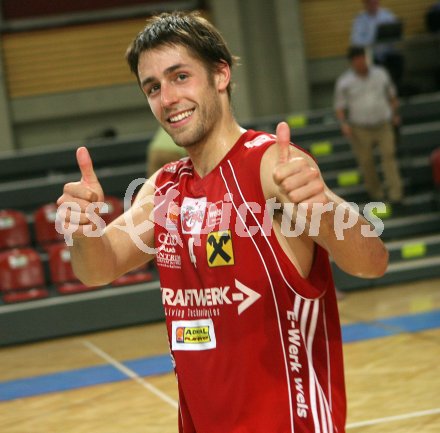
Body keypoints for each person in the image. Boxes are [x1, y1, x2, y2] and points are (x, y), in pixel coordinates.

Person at [57, 12, 389, 433]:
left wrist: (321, 206)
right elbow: (97, 268)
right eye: (153, 87)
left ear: (220, 75)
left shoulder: (270, 165)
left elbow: (371, 262)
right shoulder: (164, 188)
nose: (168, 98)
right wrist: (83, 233)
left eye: (180, 77)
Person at [334, 45, 404, 203]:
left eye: (363, 59)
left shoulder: (380, 74)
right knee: (366, 162)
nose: (361, 63)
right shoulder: (344, 82)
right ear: (352, 63)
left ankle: (396, 194)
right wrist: (343, 124)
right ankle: (376, 194)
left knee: (389, 156)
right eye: (357, 61)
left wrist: (395, 114)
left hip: (383, 124)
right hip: (360, 127)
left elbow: (392, 95)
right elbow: (339, 107)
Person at [351, 0, 404, 88]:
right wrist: (373, 38)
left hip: (388, 52)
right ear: (365, 4)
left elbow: (397, 35)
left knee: (398, 60)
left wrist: (392, 35)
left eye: (375, 2)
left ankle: (396, 90)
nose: (373, 5)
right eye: (370, 3)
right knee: (372, 68)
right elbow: (355, 41)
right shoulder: (360, 19)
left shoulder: (387, 15)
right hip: (371, 56)